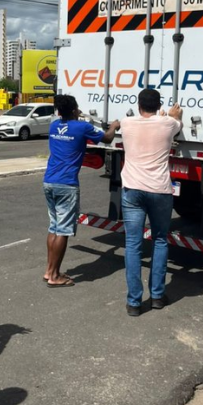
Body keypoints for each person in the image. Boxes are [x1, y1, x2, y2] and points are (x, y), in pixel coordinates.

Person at [42, 95, 120, 287]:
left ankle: (49, 270)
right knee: (64, 231)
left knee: (54, 227)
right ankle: (55, 276)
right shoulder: (82, 127)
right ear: (75, 110)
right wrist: (114, 126)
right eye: (77, 108)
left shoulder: (54, 126)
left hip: (49, 181)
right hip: (66, 184)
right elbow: (107, 138)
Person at [121, 90, 183, 317]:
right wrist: (174, 115)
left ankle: (134, 303)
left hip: (132, 192)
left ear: (139, 106)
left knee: (133, 245)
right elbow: (176, 122)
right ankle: (157, 296)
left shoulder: (127, 123)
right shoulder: (168, 123)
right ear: (159, 106)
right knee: (159, 240)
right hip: (159, 191)